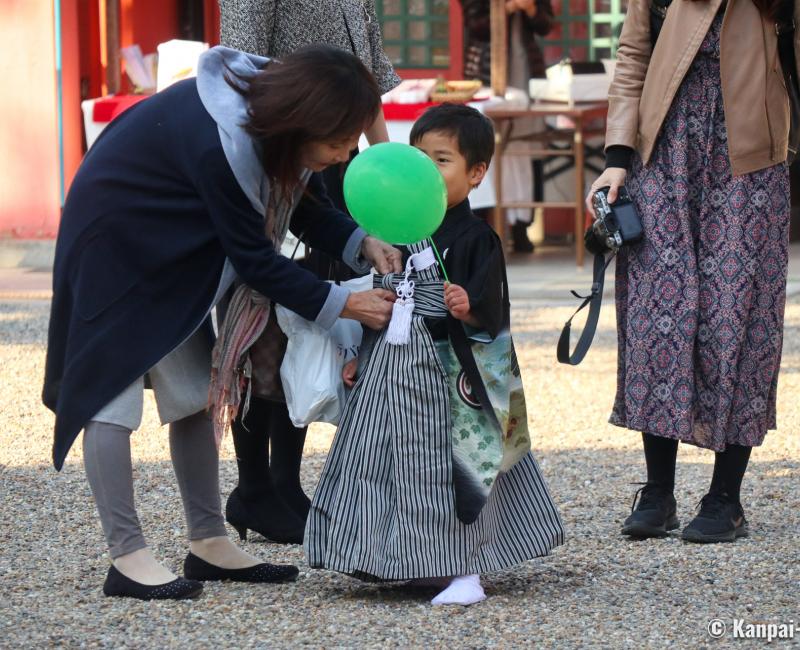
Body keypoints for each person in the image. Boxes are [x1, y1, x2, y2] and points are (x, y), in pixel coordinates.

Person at [42, 45, 402, 600]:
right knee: (109, 398)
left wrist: (359, 241)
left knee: (194, 392)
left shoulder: (271, 118)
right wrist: (342, 304)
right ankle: (127, 556)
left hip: (174, 247)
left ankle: (208, 541)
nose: (344, 154)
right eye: (337, 143)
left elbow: (298, 199)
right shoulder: (222, 141)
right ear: (305, 122)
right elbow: (257, 259)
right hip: (115, 246)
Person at [304, 104, 564, 606]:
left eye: (442, 160)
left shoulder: (476, 236)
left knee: (454, 468)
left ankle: (465, 569)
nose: (428, 170)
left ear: (476, 172)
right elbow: (384, 301)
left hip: (451, 375)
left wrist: (468, 308)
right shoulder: (397, 229)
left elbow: (493, 309)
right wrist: (363, 351)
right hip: (391, 371)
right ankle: (399, 556)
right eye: (420, 158)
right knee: (388, 464)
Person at [587, 0, 795, 543]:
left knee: (739, 318)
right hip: (663, 154)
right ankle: (658, 493)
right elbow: (632, 57)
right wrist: (617, 156)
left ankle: (726, 497)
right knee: (661, 314)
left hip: (751, 161)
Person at [218, 0, 402, 544]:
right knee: (261, 329)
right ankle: (255, 486)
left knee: (309, 336)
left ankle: (285, 481)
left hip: (334, 152)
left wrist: (378, 167)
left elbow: (368, 78)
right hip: (281, 138)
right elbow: (245, 59)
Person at [460, 0, 555, 253]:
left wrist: (531, 8)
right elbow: (475, 25)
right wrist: (506, 8)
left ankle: (523, 227)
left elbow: (546, 25)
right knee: (482, 147)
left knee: (529, 148)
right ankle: (482, 225)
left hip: (526, 73)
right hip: (485, 72)